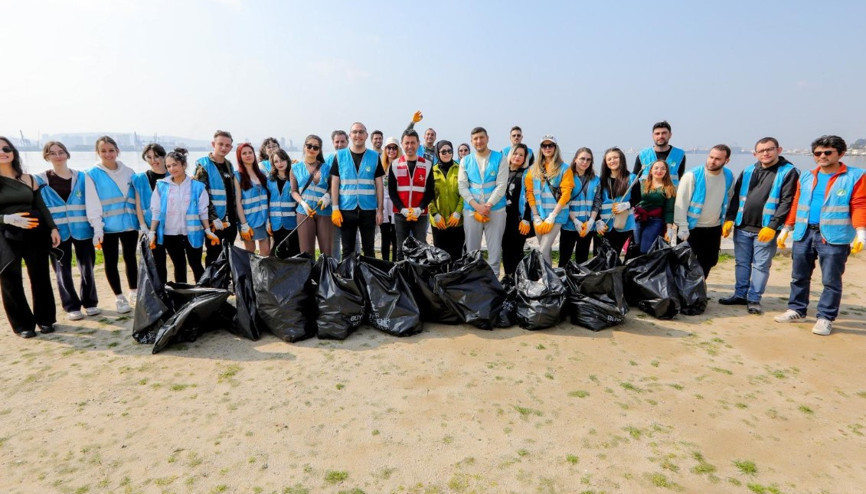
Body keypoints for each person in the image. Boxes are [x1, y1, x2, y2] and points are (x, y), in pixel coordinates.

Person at [774, 135, 866, 335]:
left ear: (841, 154)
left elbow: (859, 204)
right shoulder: (806, 177)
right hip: (804, 233)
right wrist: (786, 228)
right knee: (799, 276)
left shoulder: (855, 176)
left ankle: (825, 317)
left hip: (834, 237)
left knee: (831, 280)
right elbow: (797, 203)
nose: (822, 156)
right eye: (817, 153)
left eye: (827, 152)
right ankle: (797, 309)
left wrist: (861, 232)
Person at [719, 137, 799, 314]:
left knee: (760, 265)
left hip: (766, 229)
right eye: (761, 151)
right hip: (742, 226)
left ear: (778, 150)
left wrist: (773, 226)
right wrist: (730, 218)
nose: (766, 153)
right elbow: (736, 196)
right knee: (741, 263)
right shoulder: (748, 170)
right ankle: (740, 295)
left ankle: (754, 299)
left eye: (769, 149)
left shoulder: (788, 172)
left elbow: (787, 201)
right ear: (755, 154)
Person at [0, 137, 60, 337]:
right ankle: (23, 325)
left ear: (13, 152)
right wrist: (7, 218)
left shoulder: (28, 178)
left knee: (40, 275)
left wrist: (52, 228)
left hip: (35, 232)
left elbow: (40, 206)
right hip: (5, 235)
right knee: (10, 279)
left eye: (6, 148)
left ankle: (46, 319)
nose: (3, 152)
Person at [38, 141, 99, 321]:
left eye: (61, 152)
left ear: (67, 154)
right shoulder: (40, 180)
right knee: (62, 270)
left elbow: (92, 202)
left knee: (87, 267)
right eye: (52, 153)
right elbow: (40, 207)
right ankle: (71, 306)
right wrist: (49, 229)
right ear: (46, 156)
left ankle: (90, 302)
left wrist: (97, 228)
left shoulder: (82, 177)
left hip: (83, 229)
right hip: (57, 233)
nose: (58, 156)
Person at [84, 135, 139, 314]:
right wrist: (97, 228)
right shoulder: (91, 174)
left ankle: (134, 292)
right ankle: (119, 297)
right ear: (97, 153)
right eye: (103, 151)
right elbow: (92, 202)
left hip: (130, 224)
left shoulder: (129, 171)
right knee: (111, 261)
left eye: (111, 150)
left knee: (131, 258)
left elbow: (137, 198)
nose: (108, 154)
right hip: (107, 226)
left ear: (117, 151)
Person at [148, 148, 217, 284]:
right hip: (170, 234)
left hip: (193, 233)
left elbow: (203, 211)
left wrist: (208, 230)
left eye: (175, 165)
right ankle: (182, 295)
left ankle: (202, 292)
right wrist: (152, 231)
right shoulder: (161, 186)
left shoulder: (198, 187)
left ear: (184, 165)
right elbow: (156, 211)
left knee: (196, 264)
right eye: (168, 166)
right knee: (179, 266)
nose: (172, 169)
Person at [673, 144, 735, 278]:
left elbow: (729, 198)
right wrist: (682, 226)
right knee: (684, 263)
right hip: (691, 228)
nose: (712, 161)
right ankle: (683, 289)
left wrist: (728, 220)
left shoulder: (728, 176)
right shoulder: (692, 176)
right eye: (711, 157)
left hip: (714, 228)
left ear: (726, 160)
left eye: (717, 159)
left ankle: (699, 287)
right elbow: (681, 203)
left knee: (709, 261)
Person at [330, 122, 385, 259]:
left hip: (368, 209)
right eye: (354, 132)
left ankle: (368, 273)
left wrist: (380, 210)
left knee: (369, 249)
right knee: (347, 250)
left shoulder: (374, 157)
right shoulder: (340, 156)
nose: (358, 135)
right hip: (346, 209)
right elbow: (335, 183)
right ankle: (348, 273)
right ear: (350, 135)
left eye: (361, 132)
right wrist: (335, 208)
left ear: (366, 135)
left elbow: (379, 185)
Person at [459, 126, 508, 274]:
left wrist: (488, 205)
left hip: (496, 209)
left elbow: (501, 185)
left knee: (494, 248)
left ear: (487, 138)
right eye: (475, 139)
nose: (479, 141)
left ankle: (494, 280)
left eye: (481, 137)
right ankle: (472, 279)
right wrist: (476, 206)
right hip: (471, 210)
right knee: (472, 249)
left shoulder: (500, 158)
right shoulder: (465, 161)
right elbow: (462, 186)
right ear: (471, 141)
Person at [525, 136, 574, 264]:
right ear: (540, 148)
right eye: (544, 146)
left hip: (556, 215)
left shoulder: (564, 168)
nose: (547, 148)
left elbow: (566, 194)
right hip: (539, 215)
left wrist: (553, 215)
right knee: (545, 251)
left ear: (555, 148)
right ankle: (547, 274)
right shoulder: (533, 169)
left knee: (542, 249)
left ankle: (544, 274)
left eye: (550, 145)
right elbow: (530, 193)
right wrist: (535, 215)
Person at [194, 130, 239, 266]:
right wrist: (213, 218)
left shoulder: (229, 165)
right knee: (214, 255)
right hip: (214, 221)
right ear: (213, 144)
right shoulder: (204, 165)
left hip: (230, 219)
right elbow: (201, 195)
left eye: (227, 145)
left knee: (228, 254)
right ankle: (212, 279)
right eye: (220, 144)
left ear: (231, 147)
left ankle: (225, 278)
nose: (224, 148)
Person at [389, 129, 435, 260]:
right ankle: (400, 272)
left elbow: (430, 191)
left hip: (420, 214)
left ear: (418, 143)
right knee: (400, 248)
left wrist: (419, 209)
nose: (410, 146)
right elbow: (392, 191)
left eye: (413, 143)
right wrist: (402, 209)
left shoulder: (427, 164)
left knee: (420, 248)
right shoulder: (395, 164)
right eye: (407, 143)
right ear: (402, 144)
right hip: (400, 214)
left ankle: (419, 273)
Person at [291, 135, 333, 257]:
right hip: (304, 212)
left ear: (319, 150)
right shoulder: (295, 168)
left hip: (324, 211)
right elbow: (293, 191)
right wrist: (302, 203)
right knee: (306, 252)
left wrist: (328, 196)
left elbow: (333, 187)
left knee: (326, 252)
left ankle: (326, 270)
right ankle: (309, 271)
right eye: (309, 146)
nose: (312, 149)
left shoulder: (327, 168)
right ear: (304, 147)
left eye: (316, 147)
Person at [132, 143, 168, 283]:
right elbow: (138, 204)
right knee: (158, 262)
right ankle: (161, 291)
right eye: (149, 157)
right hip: (150, 226)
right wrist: (143, 226)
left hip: (172, 226)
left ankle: (180, 291)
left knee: (179, 261)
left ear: (164, 156)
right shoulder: (140, 178)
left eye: (157, 156)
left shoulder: (173, 174)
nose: (153, 160)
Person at [559, 148, 599, 266]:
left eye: (588, 160)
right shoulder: (567, 176)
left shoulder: (595, 180)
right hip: (569, 225)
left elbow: (597, 201)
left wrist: (591, 221)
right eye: (582, 158)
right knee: (564, 259)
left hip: (587, 227)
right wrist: (575, 220)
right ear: (575, 159)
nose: (585, 162)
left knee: (582, 260)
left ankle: (578, 279)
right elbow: (564, 201)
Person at [594, 147, 637, 256]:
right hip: (604, 225)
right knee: (600, 256)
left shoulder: (632, 178)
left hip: (624, 224)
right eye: (609, 159)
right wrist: (598, 221)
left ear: (621, 159)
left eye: (615, 157)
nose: (612, 161)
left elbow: (638, 198)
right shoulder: (601, 180)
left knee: (615, 256)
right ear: (605, 162)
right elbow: (596, 202)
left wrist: (627, 204)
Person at [429, 140, 465, 261]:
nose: (447, 154)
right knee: (440, 257)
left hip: (457, 221)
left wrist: (458, 212)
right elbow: (428, 195)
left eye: (449, 151)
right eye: (443, 151)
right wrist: (435, 214)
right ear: (437, 153)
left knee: (456, 256)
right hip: (439, 222)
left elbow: (464, 193)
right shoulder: (432, 171)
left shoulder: (460, 169)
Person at [500, 144, 532, 278]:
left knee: (517, 250)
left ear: (525, 158)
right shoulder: (502, 171)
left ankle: (519, 278)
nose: (517, 157)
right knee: (505, 248)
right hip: (502, 216)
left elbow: (530, 197)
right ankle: (508, 276)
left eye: (521, 155)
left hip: (518, 218)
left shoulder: (526, 174)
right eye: (515, 153)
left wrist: (526, 218)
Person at [632, 160, 677, 254]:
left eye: (663, 168)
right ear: (651, 170)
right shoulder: (641, 183)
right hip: (638, 218)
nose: (659, 171)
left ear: (666, 171)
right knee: (635, 245)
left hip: (655, 220)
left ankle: (646, 262)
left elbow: (669, 210)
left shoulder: (669, 188)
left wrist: (669, 230)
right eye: (656, 168)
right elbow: (632, 199)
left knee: (645, 248)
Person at [235, 143, 270, 255]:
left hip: (264, 219)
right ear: (239, 157)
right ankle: (249, 268)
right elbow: (238, 202)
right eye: (244, 153)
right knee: (249, 251)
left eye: (250, 152)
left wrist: (269, 219)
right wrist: (244, 224)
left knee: (266, 251)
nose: (248, 155)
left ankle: (261, 268)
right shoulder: (237, 176)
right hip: (248, 220)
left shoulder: (262, 174)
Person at [633, 121, 686, 187]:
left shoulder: (679, 155)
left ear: (670, 135)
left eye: (664, 133)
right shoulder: (643, 155)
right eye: (657, 134)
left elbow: (680, 178)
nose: (660, 136)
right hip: (646, 192)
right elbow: (634, 179)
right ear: (653, 136)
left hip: (671, 192)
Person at [267, 149, 300, 257]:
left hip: (292, 222)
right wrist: (268, 221)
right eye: (276, 161)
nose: (279, 164)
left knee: (294, 250)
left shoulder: (294, 177)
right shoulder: (269, 180)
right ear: (273, 164)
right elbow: (267, 202)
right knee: (278, 251)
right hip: (276, 222)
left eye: (282, 160)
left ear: (287, 160)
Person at [327, 130, 348, 257]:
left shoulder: (351, 158)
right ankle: (335, 265)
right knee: (334, 239)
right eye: (337, 142)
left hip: (349, 204)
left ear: (347, 142)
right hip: (332, 206)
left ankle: (353, 264)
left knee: (353, 238)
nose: (339, 145)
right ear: (333, 142)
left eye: (342, 141)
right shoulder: (328, 159)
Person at [379, 137, 401, 261]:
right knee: (385, 236)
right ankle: (385, 263)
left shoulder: (402, 165)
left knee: (396, 236)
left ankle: (395, 263)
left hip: (396, 203)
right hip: (383, 204)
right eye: (389, 148)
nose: (391, 150)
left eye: (394, 148)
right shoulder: (380, 166)